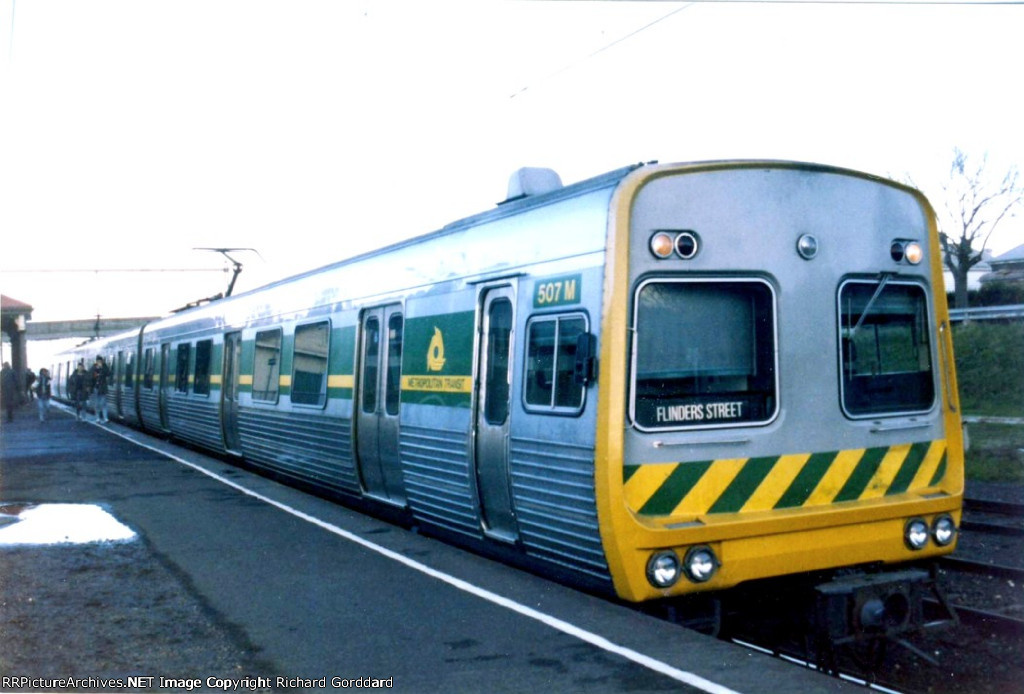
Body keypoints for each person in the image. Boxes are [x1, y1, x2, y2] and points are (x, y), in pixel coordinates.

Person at [89, 355, 111, 423]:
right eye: (98, 361)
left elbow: (109, 374)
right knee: (97, 404)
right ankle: (97, 418)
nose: (99, 362)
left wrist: (103, 367)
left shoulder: (104, 367)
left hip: (103, 388)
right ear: (96, 361)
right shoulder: (93, 368)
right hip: (96, 388)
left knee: (104, 403)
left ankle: (105, 418)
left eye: (100, 361)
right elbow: (90, 376)